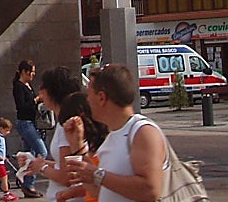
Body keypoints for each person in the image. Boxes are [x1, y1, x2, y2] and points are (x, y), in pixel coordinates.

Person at [61, 65, 168, 202]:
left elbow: (150, 191)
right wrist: (78, 147)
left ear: (101, 97)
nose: (87, 100)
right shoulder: (114, 134)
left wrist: (97, 175)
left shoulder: (143, 132)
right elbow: (97, 190)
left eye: (89, 95)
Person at [24, 67, 84, 202]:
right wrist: (38, 164)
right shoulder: (63, 123)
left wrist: (42, 168)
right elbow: (62, 165)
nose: (40, 93)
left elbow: (67, 177)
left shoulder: (66, 126)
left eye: (42, 88)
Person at [12, 60, 47, 198]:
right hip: (24, 122)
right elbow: (21, 106)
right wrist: (36, 99)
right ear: (23, 72)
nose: (32, 75)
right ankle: (29, 182)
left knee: (29, 154)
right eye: (30, 72)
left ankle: (27, 185)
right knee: (41, 151)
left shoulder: (28, 85)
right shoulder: (18, 86)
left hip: (31, 122)